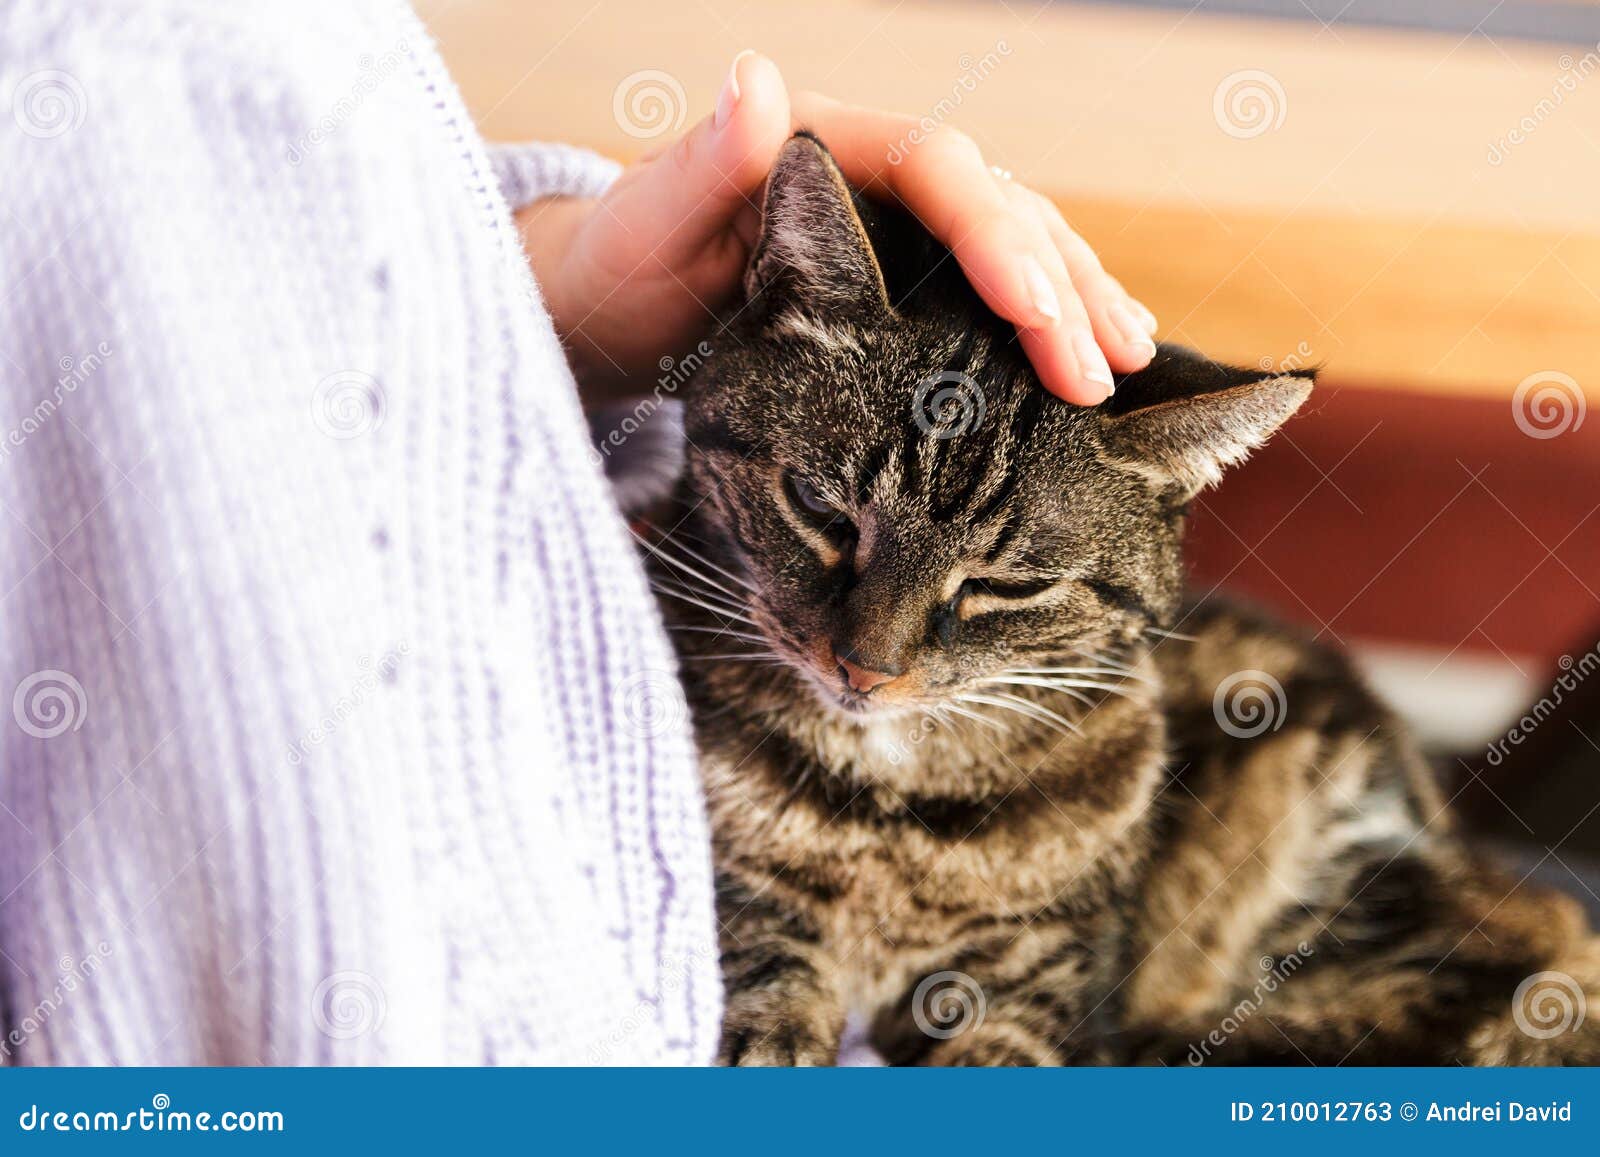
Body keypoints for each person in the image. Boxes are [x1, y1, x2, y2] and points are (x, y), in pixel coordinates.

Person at [0, 0, 1155, 1064]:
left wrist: (538, 299)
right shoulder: (101, 63)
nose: (871, 653)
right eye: (825, 522)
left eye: (985, 590)